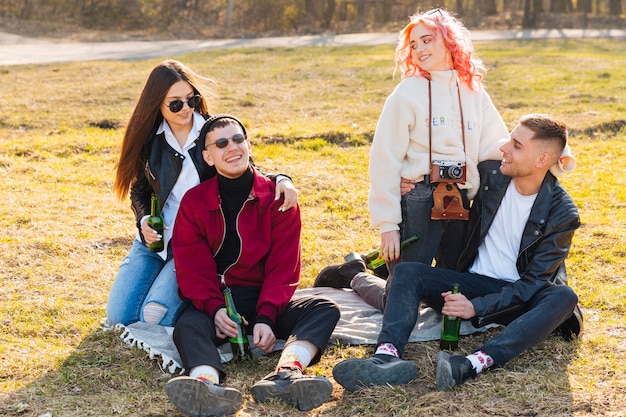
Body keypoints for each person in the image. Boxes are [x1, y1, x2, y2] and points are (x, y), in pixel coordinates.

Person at [331, 113, 583, 392]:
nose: (503, 148)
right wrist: (407, 179)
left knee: (564, 296)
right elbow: (444, 166)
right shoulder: (491, 175)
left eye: (516, 145)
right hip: (470, 283)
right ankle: (386, 356)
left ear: (542, 160)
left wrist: (477, 307)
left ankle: (473, 363)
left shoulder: (563, 214)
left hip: (520, 299)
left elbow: (534, 282)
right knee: (406, 273)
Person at [313, 8, 510, 311]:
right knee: (400, 300)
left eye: (427, 40)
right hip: (418, 197)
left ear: (449, 40)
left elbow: (495, 145)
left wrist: (552, 152)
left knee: (450, 292)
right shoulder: (406, 93)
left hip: (460, 199)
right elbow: (384, 160)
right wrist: (388, 225)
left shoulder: (473, 90)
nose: (419, 50)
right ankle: (355, 275)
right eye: (413, 45)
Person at [165, 114, 340, 416]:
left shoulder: (278, 197)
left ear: (247, 144)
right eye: (221, 143)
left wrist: (267, 316)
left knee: (325, 308)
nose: (232, 148)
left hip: (262, 294)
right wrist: (215, 309)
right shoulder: (194, 202)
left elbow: (284, 267)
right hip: (221, 298)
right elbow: (192, 268)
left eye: (237, 139)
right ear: (208, 156)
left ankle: (287, 372)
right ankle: (206, 385)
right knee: (187, 326)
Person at [106, 60, 298, 327]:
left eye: (191, 100)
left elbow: (245, 167)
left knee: (152, 317)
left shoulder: (212, 133)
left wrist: (281, 179)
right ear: (157, 104)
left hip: (193, 244)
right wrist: (143, 220)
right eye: (175, 103)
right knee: (119, 317)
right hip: (155, 241)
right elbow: (140, 188)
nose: (185, 108)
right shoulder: (150, 140)